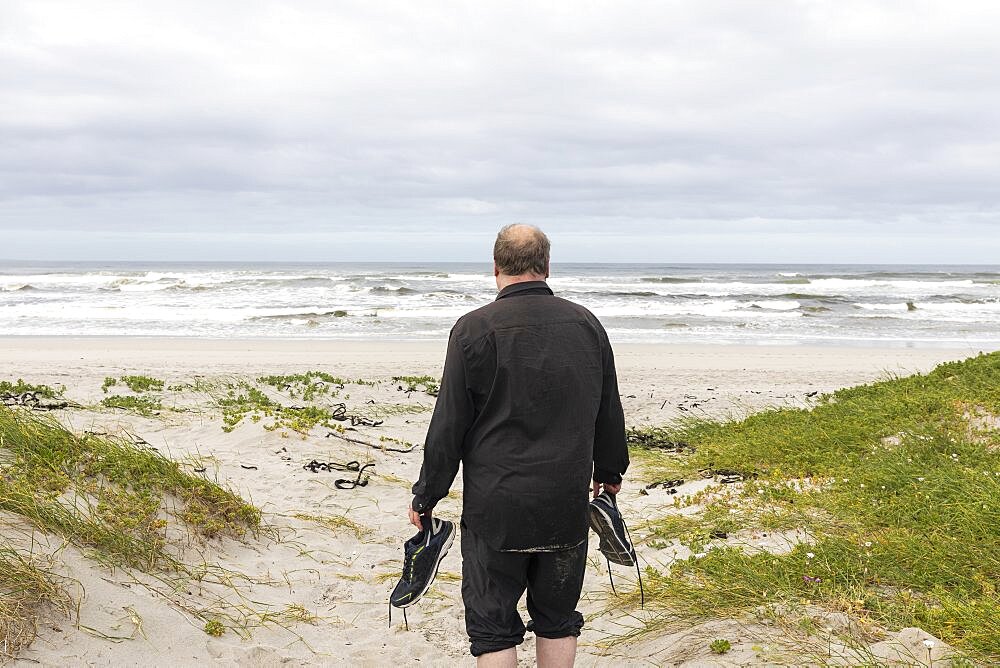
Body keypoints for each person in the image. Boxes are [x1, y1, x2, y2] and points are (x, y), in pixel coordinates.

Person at [407, 224, 628, 667]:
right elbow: (608, 410)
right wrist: (609, 474)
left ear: (495, 268)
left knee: (491, 630)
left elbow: (448, 424)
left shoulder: (473, 330)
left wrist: (427, 493)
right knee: (558, 620)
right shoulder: (586, 324)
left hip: (496, 509)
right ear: (547, 266)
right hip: (564, 503)